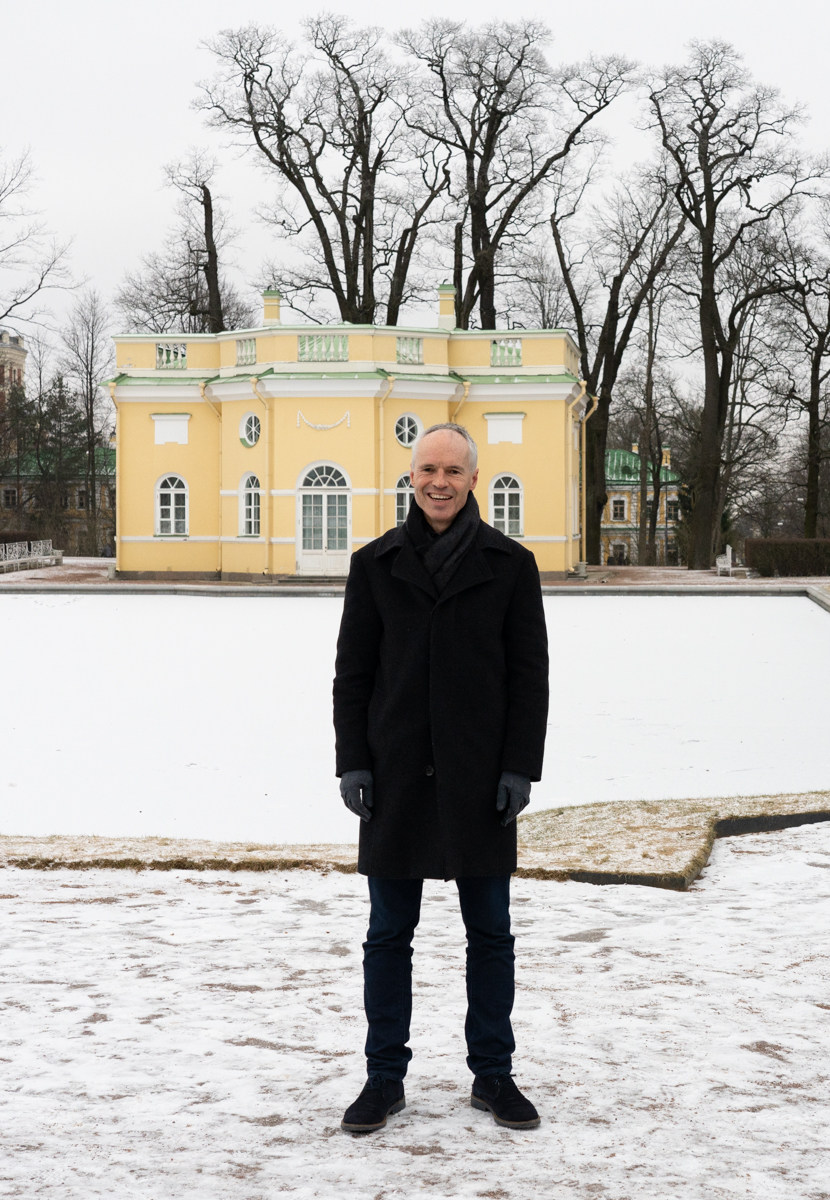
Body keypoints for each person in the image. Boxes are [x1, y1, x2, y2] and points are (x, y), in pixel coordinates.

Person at [331, 421, 550, 1135]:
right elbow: (353, 676)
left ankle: (494, 1075)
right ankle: (382, 1079)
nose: (438, 482)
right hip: (394, 777)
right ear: (412, 476)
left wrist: (520, 767)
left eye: (453, 471)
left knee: (491, 933)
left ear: (473, 479)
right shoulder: (374, 564)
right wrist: (353, 761)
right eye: (427, 469)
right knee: (388, 934)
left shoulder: (511, 566)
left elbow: (529, 678)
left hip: (481, 780)